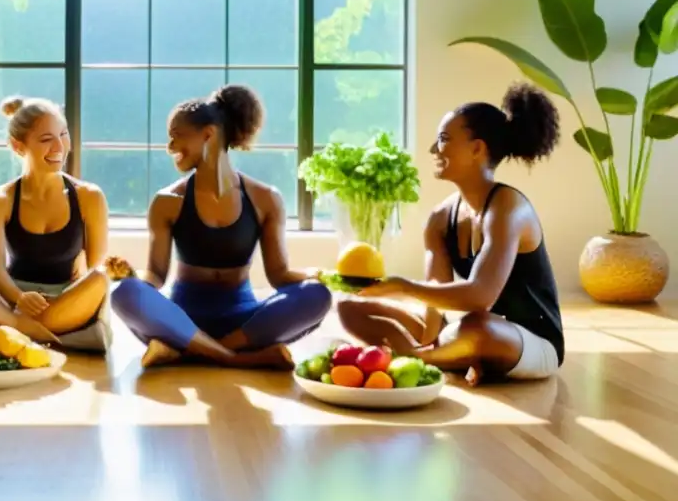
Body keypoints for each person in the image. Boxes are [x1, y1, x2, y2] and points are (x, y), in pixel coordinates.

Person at [337, 82, 565, 386]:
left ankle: (416, 360)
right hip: (473, 328)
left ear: (477, 149)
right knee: (350, 307)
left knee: (478, 327)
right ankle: (436, 356)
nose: (434, 149)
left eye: (443, 139)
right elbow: (435, 294)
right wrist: (431, 337)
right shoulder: (441, 218)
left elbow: (480, 297)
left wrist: (404, 287)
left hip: (528, 340)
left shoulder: (508, 207)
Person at [109, 85, 333, 369]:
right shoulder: (168, 202)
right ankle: (238, 359)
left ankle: (187, 353)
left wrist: (321, 275)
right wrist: (130, 277)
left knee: (317, 295)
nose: (170, 147)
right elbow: (156, 274)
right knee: (122, 293)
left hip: (244, 322)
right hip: (181, 319)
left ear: (208, 134)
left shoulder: (265, 199)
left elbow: (279, 275)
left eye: (177, 136)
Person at [0, 96, 112, 353]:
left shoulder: (89, 196)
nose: (59, 147)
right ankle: (20, 327)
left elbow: (96, 268)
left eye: (63, 134)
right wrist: (18, 299)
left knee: (102, 278)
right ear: (18, 146)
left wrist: (74, 294)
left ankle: (9, 330)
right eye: (46, 140)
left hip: (62, 303)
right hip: (12, 300)